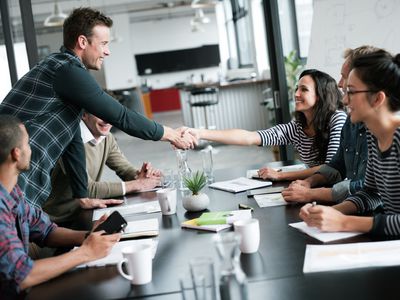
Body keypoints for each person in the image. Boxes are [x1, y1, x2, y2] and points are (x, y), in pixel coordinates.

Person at [0, 7, 195, 209]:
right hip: (9, 171)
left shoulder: (62, 69)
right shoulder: (65, 69)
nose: (107, 51)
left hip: (19, 173)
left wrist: (81, 195)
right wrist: (171, 134)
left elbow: (72, 139)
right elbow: (121, 116)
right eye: (103, 44)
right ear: (83, 42)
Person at [0, 115, 120, 295]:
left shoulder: (12, 192)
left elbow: (46, 230)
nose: (31, 148)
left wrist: (88, 236)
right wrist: (86, 253)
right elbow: (21, 274)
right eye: (27, 143)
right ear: (16, 153)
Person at [299, 49, 400, 237]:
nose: (344, 99)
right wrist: (332, 212)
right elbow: (369, 192)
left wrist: (344, 222)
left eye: (351, 92)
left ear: (378, 98)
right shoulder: (373, 135)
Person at [185, 69, 347, 181]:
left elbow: (329, 168)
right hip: (314, 187)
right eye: (297, 88)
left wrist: (280, 175)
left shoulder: (337, 119)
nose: (296, 94)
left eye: (303, 89)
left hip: (339, 192)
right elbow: (250, 137)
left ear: (320, 96)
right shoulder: (297, 127)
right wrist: (200, 133)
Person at [282, 46, 380, 203]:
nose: (340, 85)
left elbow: (368, 190)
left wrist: (311, 194)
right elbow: (337, 164)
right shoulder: (351, 122)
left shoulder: (383, 132)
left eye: (345, 77)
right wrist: (308, 182)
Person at [44, 112, 161, 224]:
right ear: (84, 115)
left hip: (87, 212)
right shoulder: (70, 140)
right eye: (99, 113)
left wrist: (140, 176)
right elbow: (86, 188)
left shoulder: (107, 138)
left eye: (109, 113)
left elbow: (124, 169)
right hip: (58, 221)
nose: (106, 119)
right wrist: (137, 184)